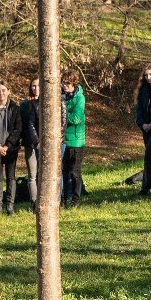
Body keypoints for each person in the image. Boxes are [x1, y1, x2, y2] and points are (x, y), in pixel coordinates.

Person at [0, 81, 25, 214]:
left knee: (11, 177)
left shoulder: (15, 108)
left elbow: (18, 129)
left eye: (3, 90)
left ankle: (10, 206)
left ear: (8, 91)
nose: (1, 93)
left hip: (10, 149)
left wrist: (8, 145)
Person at [134, 63, 151, 196]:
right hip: (146, 129)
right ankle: (148, 185)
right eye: (146, 75)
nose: (149, 77)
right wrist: (142, 124)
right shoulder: (143, 90)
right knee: (149, 156)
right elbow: (139, 110)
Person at [61, 78, 87, 207]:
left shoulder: (80, 98)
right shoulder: (61, 96)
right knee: (64, 171)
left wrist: (62, 116)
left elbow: (76, 118)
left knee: (75, 172)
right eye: (63, 83)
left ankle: (75, 200)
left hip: (76, 140)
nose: (65, 86)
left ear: (74, 84)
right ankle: (64, 197)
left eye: (68, 83)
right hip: (63, 139)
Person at [21, 80, 43, 208]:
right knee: (32, 175)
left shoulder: (46, 102)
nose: (36, 88)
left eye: (38, 85)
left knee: (43, 173)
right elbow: (24, 124)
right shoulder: (24, 104)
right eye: (33, 86)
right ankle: (34, 202)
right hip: (30, 143)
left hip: (44, 143)